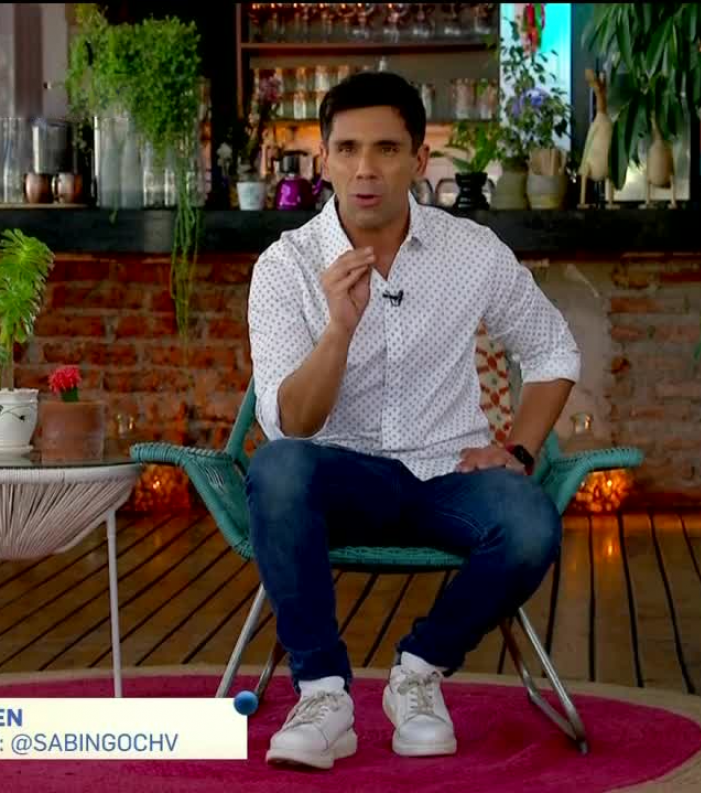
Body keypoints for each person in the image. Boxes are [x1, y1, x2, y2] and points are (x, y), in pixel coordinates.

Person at [244, 70, 581, 770]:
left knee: (529, 520)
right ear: (324, 159)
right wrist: (339, 329)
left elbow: (554, 350)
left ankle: (420, 672)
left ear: (420, 159)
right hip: (339, 478)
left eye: (387, 149)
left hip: (447, 475)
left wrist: (519, 449)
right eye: (348, 149)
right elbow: (292, 424)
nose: (365, 169)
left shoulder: (472, 251)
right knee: (277, 469)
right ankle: (323, 695)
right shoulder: (285, 266)